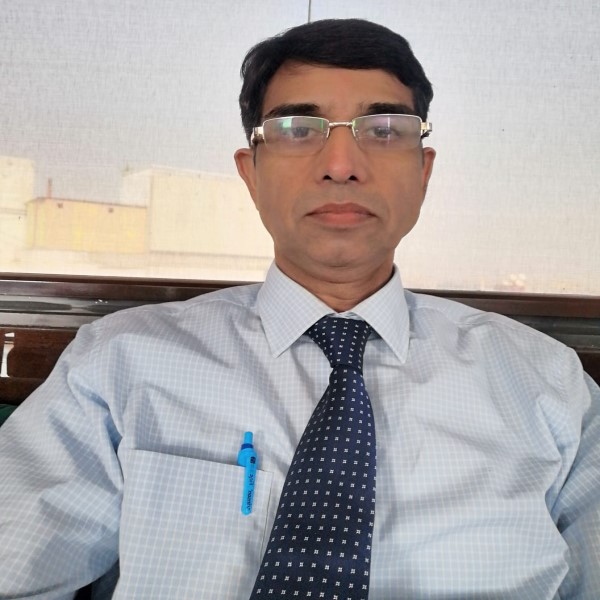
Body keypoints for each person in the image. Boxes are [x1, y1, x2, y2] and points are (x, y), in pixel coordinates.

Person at [1, 18, 599, 600]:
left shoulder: (548, 386)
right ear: (251, 173)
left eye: (384, 129)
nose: (341, 166)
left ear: (424, 171)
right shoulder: (117, 364)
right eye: (296, 128)